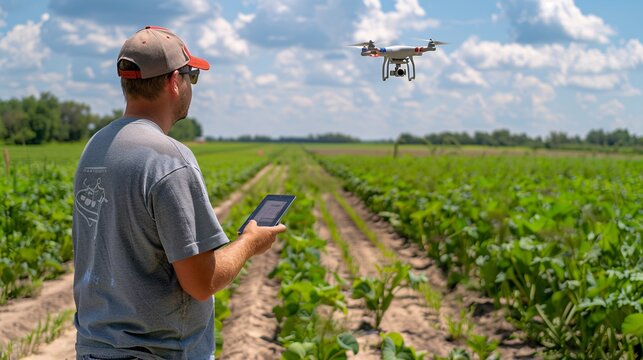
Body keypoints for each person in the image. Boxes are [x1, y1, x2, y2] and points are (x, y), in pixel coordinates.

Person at [72, 26, 286, 360]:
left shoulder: (95, 148)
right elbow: (202, 282)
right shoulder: (169, 159)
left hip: (94, 349)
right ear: (175, 81)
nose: (191, 87)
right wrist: (249, 244)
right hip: (160, 351)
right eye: (192, 77)